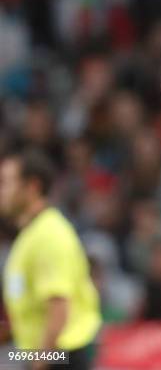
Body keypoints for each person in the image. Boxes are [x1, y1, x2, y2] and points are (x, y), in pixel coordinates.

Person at [0, 150, 102, 370]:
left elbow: (58, 309)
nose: (2, 191)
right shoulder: (31, 234)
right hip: (39, 353)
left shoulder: (49, 236)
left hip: (61, 357)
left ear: (32, 187)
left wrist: (38, 363)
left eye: (6, 183)